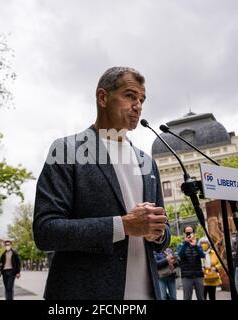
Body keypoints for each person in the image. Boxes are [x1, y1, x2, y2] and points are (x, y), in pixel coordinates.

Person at [33, 67, 170, 300]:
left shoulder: (147, 162)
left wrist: (157, 234)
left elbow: (163, 232)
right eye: (129, 96)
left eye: (142, 99)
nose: (138, 105)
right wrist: (123, 226)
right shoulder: (66, 151)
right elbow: (46, 231)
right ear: (103, 97)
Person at [177, 226, 205, 300]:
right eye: (187, 233)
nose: (189, 234)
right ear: (184, 234)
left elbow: (202, 255)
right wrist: (186, 243)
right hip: (186, 276)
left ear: (193, 233)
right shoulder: (180, 245)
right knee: (187, 298)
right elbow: (180, 255)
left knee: (201, 297)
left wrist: (195, 246)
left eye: (191, 232)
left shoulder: (198, 245)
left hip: (198, 275)